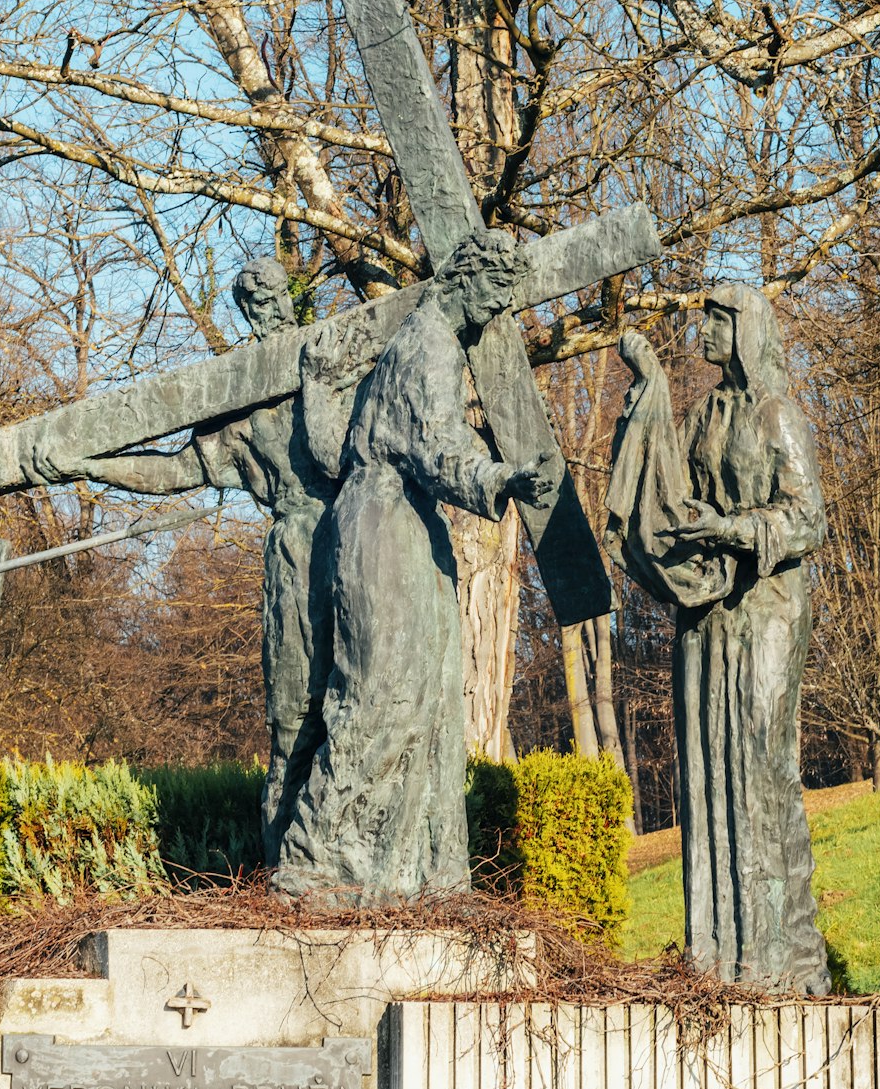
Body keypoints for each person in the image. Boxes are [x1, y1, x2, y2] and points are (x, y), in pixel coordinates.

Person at [32, 260, 370, 866]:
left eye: (271, 295)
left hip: (361, 534)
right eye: (250, 300)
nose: (264, 308)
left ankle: (357, 854)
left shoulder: (334, 361)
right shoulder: (237, 400)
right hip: (296, 553)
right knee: (293, 714)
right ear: (243, 312)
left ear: (290, 300)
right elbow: (174, 473)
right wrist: (90, 468)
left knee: (364, 699)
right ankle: (288, 862)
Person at [273, 229, 557, 906]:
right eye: (493, 292)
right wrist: (503, 476)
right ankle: (310, 862)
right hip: (381, 523)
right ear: (463, 279)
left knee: (429, 702)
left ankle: (424, 875)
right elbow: (436, 448)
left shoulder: (438, 344)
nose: (496, 310)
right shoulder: (427, 343)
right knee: (379, 697)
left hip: (411, 524)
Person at [603, 286, 831, 993]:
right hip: (709, 614)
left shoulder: (777, 414)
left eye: (716, 319)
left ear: (745, 329)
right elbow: (676, 492)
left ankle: (783, 957)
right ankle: (719, 959)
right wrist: (650, 391)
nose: (703, 330)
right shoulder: (704, 415)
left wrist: (732, 528)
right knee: (708, 767)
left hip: (766, 608)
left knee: (760, 766)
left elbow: (807, 520)